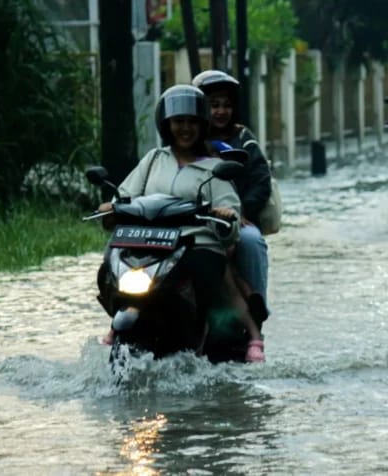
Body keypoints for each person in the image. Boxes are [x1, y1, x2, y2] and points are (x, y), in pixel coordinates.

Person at [99, 85, 265, 362]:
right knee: (111, 266)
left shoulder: (215, 168)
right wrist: (111, 206)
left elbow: (232, 214)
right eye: (178, 122)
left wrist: (225, 214)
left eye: (191, 122)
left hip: (196, 243)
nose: (184, 128)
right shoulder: (153, 160)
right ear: (167, 124)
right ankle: (119, 321)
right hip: (148, 242)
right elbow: (125, 195)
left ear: (202, 125)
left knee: (204, 273)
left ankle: (206, 336)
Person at [191, 70, 272, 323]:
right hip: (190, 218)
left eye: (226, 105)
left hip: (235, 218)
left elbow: (261, 180)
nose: (220, 111)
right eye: (213, 105)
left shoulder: (244, 140)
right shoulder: (187, 138)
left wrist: (241, 212)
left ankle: (256, 309)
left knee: (250, 241)